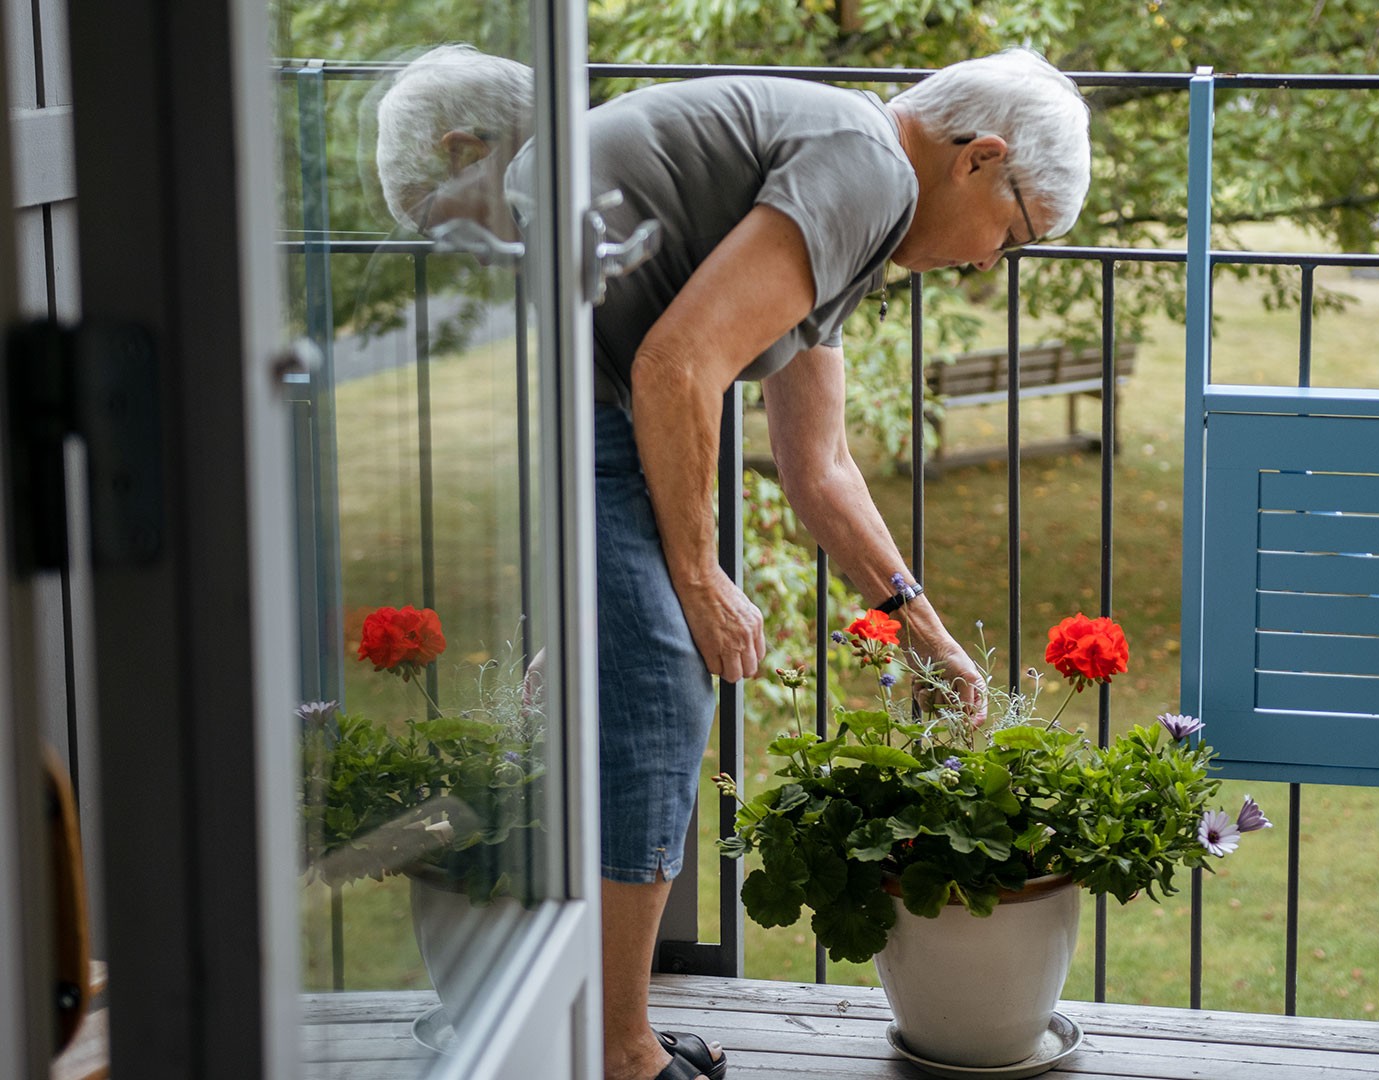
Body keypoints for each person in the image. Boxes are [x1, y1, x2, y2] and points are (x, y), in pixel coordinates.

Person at [376, 44, 1091, 1080]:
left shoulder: (857, 193)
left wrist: (928, 637)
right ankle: (618, 1051)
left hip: (593, 388)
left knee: (647, 684)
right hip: (601, 394)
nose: (992, 261)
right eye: (1016, 232)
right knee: (667, 686)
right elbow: (678, 366)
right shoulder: (865, 166)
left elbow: (821, 470)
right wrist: (702, 580)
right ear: (978, 160)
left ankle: (603, 1025)